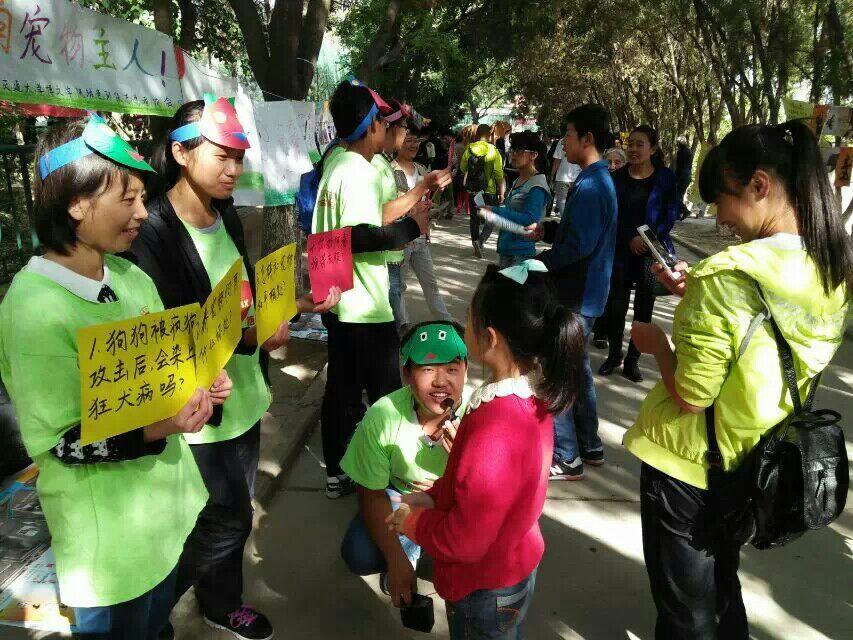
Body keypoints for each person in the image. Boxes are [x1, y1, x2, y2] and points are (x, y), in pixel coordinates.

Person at [624, 121, 851, 639]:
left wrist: (657, 345)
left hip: (690, 467)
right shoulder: (832, 271)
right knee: (722, 584)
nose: (719, 217)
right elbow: (767, 340)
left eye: (721, 200)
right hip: (757, 461)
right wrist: (697, 298)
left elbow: (691, 394)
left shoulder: (727, 274)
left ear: (759, 185)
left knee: (687, 614)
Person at [0, 115, 219, 638]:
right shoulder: (33, 309)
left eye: (143, 197)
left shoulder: (129, 277)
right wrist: (163, 426)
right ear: (77, 203)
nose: (143, 212)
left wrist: (198, 383)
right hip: (110, 546)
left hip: (161, 514)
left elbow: (163, 371)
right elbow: (63, 441)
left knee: (157, 622)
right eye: (129, 199)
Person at [130, 96, 338, 640]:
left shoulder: (224, 215)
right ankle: (149, 617)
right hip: (198, 411)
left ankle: (223, 604)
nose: (233, 169)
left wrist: (290, 306)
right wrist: (249, 335)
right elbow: (169, 333)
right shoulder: (151, 234)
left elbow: (241, 303)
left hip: (244, 397)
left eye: (240, 158)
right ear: (181, 153)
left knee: (235, 511)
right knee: (221, 521)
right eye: (222, 155)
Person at [387, 260, 584, 639]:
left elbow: (466, 540)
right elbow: (474, 490)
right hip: (513, 564)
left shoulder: (495, 428)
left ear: (490, 339)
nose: (464, 326)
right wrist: (433, 496)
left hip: (484, 586)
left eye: (468, 319)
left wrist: (413, 523)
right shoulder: (530, 398)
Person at [312, 79, 436, 500]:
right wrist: (410, 228)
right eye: (382, 121)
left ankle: (338, 473)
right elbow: (359, 236)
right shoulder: (359, 171)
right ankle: (392, 480)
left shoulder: (334, 164)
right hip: (364, 306)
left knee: (342, 392)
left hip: (337, 301)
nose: (387, 128)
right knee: (388, 396)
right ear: (371, 127)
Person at [340, 322, 468, 608]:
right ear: (407, 374)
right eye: (428, 369)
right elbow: (371, 493)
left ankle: (426, 544)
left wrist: (466, 461)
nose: (441, 381)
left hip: (455, 501)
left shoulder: (479, 415)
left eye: (452, 369)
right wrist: (396, 560)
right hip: (399, 495)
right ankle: (410, 546)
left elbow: (492, 499)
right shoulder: (383, 415)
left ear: (466, 370)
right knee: (358, 554)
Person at [527, 104, 617, 481]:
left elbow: (579, 246)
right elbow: (576, 231)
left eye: (568, 134)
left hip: (577, 296)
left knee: (558, 371)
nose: (564, 142)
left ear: (587, 138)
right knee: (577, 370)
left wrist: (540, 263)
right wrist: (549, 230)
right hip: (585, 294)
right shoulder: (592, 179)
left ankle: (567, 456)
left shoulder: (594, 184)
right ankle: (590, 444)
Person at [596, 125, 679, 384]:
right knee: (616, 307)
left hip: (650, 253)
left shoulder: (665, 178)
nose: (633, 149)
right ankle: (614, 355)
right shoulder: (617, 178)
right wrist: (629, 237)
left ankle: (633, 360)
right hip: (622, 250)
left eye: (639, 144)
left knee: (644, 309)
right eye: (630, 144)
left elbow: (670, 213)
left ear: (652, 149)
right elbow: (612, 213)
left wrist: (648, 239)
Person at [391, 131, 454, 329]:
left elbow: (427, 198)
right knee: (398, 287)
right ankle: (403, 325)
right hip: (401, 239)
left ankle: (447, 322)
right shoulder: (389, 170)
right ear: (397, 142)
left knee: (430, 284)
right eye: (408, 140)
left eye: (416, 140)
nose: (414, 145)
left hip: (420, 238)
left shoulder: (421, 168)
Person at [481, 131, 550, 268]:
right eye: (512, 150)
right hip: (507, 250)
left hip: (521, 254)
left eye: (519, 150)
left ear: (534, 155)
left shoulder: (537, 185)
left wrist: (496, 211)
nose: (513, 154)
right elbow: (512, 212)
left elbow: (531, 219)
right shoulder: (518, 180)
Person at [461, 123, 505, 258]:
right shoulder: (494, 151)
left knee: (474, 217)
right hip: (490, 191)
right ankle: (481, 241)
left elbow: (463, 168)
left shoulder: (469, 149)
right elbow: (498, 174)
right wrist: (501, 192)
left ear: (477, 134)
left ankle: (475, 241)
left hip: (474, 190)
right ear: (489, 135)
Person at [550, 131, 582, 216]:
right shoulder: (581, 141)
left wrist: (552, 175)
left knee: (562, 203)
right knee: (572, 202)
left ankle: (564, 220)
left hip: (562, 177)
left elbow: (557, 160)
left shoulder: (562, 141)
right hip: (577, 177)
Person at [675, 136, 694, 220]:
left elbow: (679, 166)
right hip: (688, 175)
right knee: (680, 195)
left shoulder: (680, 152)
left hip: (682, 176)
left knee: (675, 195)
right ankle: (678, 214)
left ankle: (685, 210)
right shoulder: (689, 152)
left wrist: (675, 177)